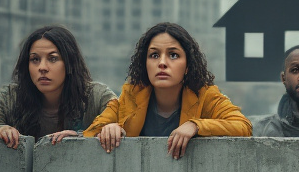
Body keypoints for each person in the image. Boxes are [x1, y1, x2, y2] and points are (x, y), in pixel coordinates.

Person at [84, 22, 251, 158]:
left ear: (187, 66)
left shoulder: (205, 95)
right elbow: (93, 131)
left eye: (173, 55)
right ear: (145, 64)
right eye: (154, 55)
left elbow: (243, 126)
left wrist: (196, 125)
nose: (162, 63)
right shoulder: (131, 94)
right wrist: (110, 128)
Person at [0, 25, 116, 149]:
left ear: (69, 63)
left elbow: (125, 121)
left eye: (53, 58)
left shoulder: (96, 96)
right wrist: (0, 129)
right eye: (35, 59)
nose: (42, 67)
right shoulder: (9, 97)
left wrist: (83, 137)